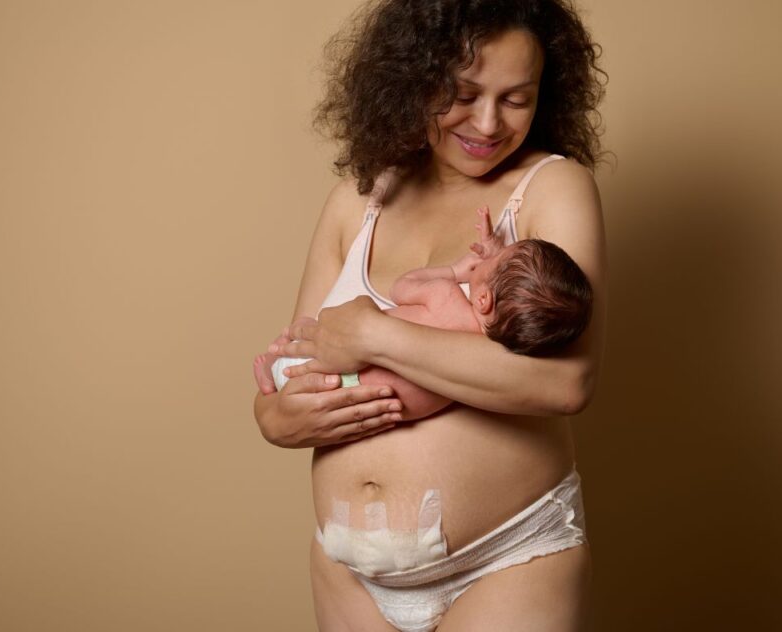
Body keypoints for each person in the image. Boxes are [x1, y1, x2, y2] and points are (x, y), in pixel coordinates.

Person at [253, 1, 607, 629]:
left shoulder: (552, 188)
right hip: (349, 572)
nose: (489, 122)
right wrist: (276, 418)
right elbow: (300, 357)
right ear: (413, 79)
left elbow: (563, 382)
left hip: (508, 558)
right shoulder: (357, 203)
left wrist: (375, 333)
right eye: (463, 93)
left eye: (516, 98)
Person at [254, 206, 593, 422]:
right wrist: (493, 266)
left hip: (336, 382)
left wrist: (455, 271)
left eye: (497, 256)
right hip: (367, 405)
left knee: (299, 343)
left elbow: (403, 287)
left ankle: (274, 369)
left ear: (484, 299)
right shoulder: (486, 359)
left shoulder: (445, 296)